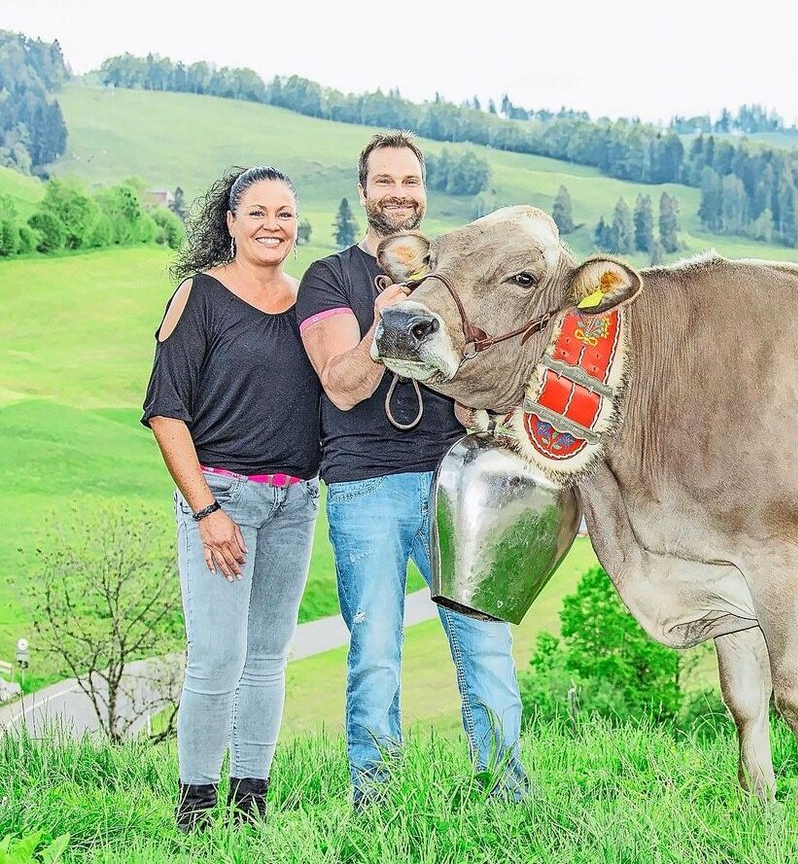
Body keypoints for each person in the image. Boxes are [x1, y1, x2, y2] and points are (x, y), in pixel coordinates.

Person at [296, 131, 528, 806]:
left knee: (485, 641)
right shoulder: (329, 278)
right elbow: (342, 386)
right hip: (363, 484)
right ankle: (377, 802)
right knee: (376, 652)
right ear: (364, 191)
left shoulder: (449, 274)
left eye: (410, 182)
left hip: (452, 482)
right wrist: (383, 326)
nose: (400, 193)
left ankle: (506, 795)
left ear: (424, 193)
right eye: (385, 181)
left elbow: (480, 376)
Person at [142, 166, 321, 831]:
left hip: (295, 503)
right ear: (231, 222)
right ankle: (195, 809)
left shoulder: (308, 303)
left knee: (269, 653)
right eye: (258, 213)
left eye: (284, 212)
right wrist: (206, 511)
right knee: (219, 654)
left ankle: (250, 803)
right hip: (222, 499)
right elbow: (166, 413)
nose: (273, 224)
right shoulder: (201, 297)